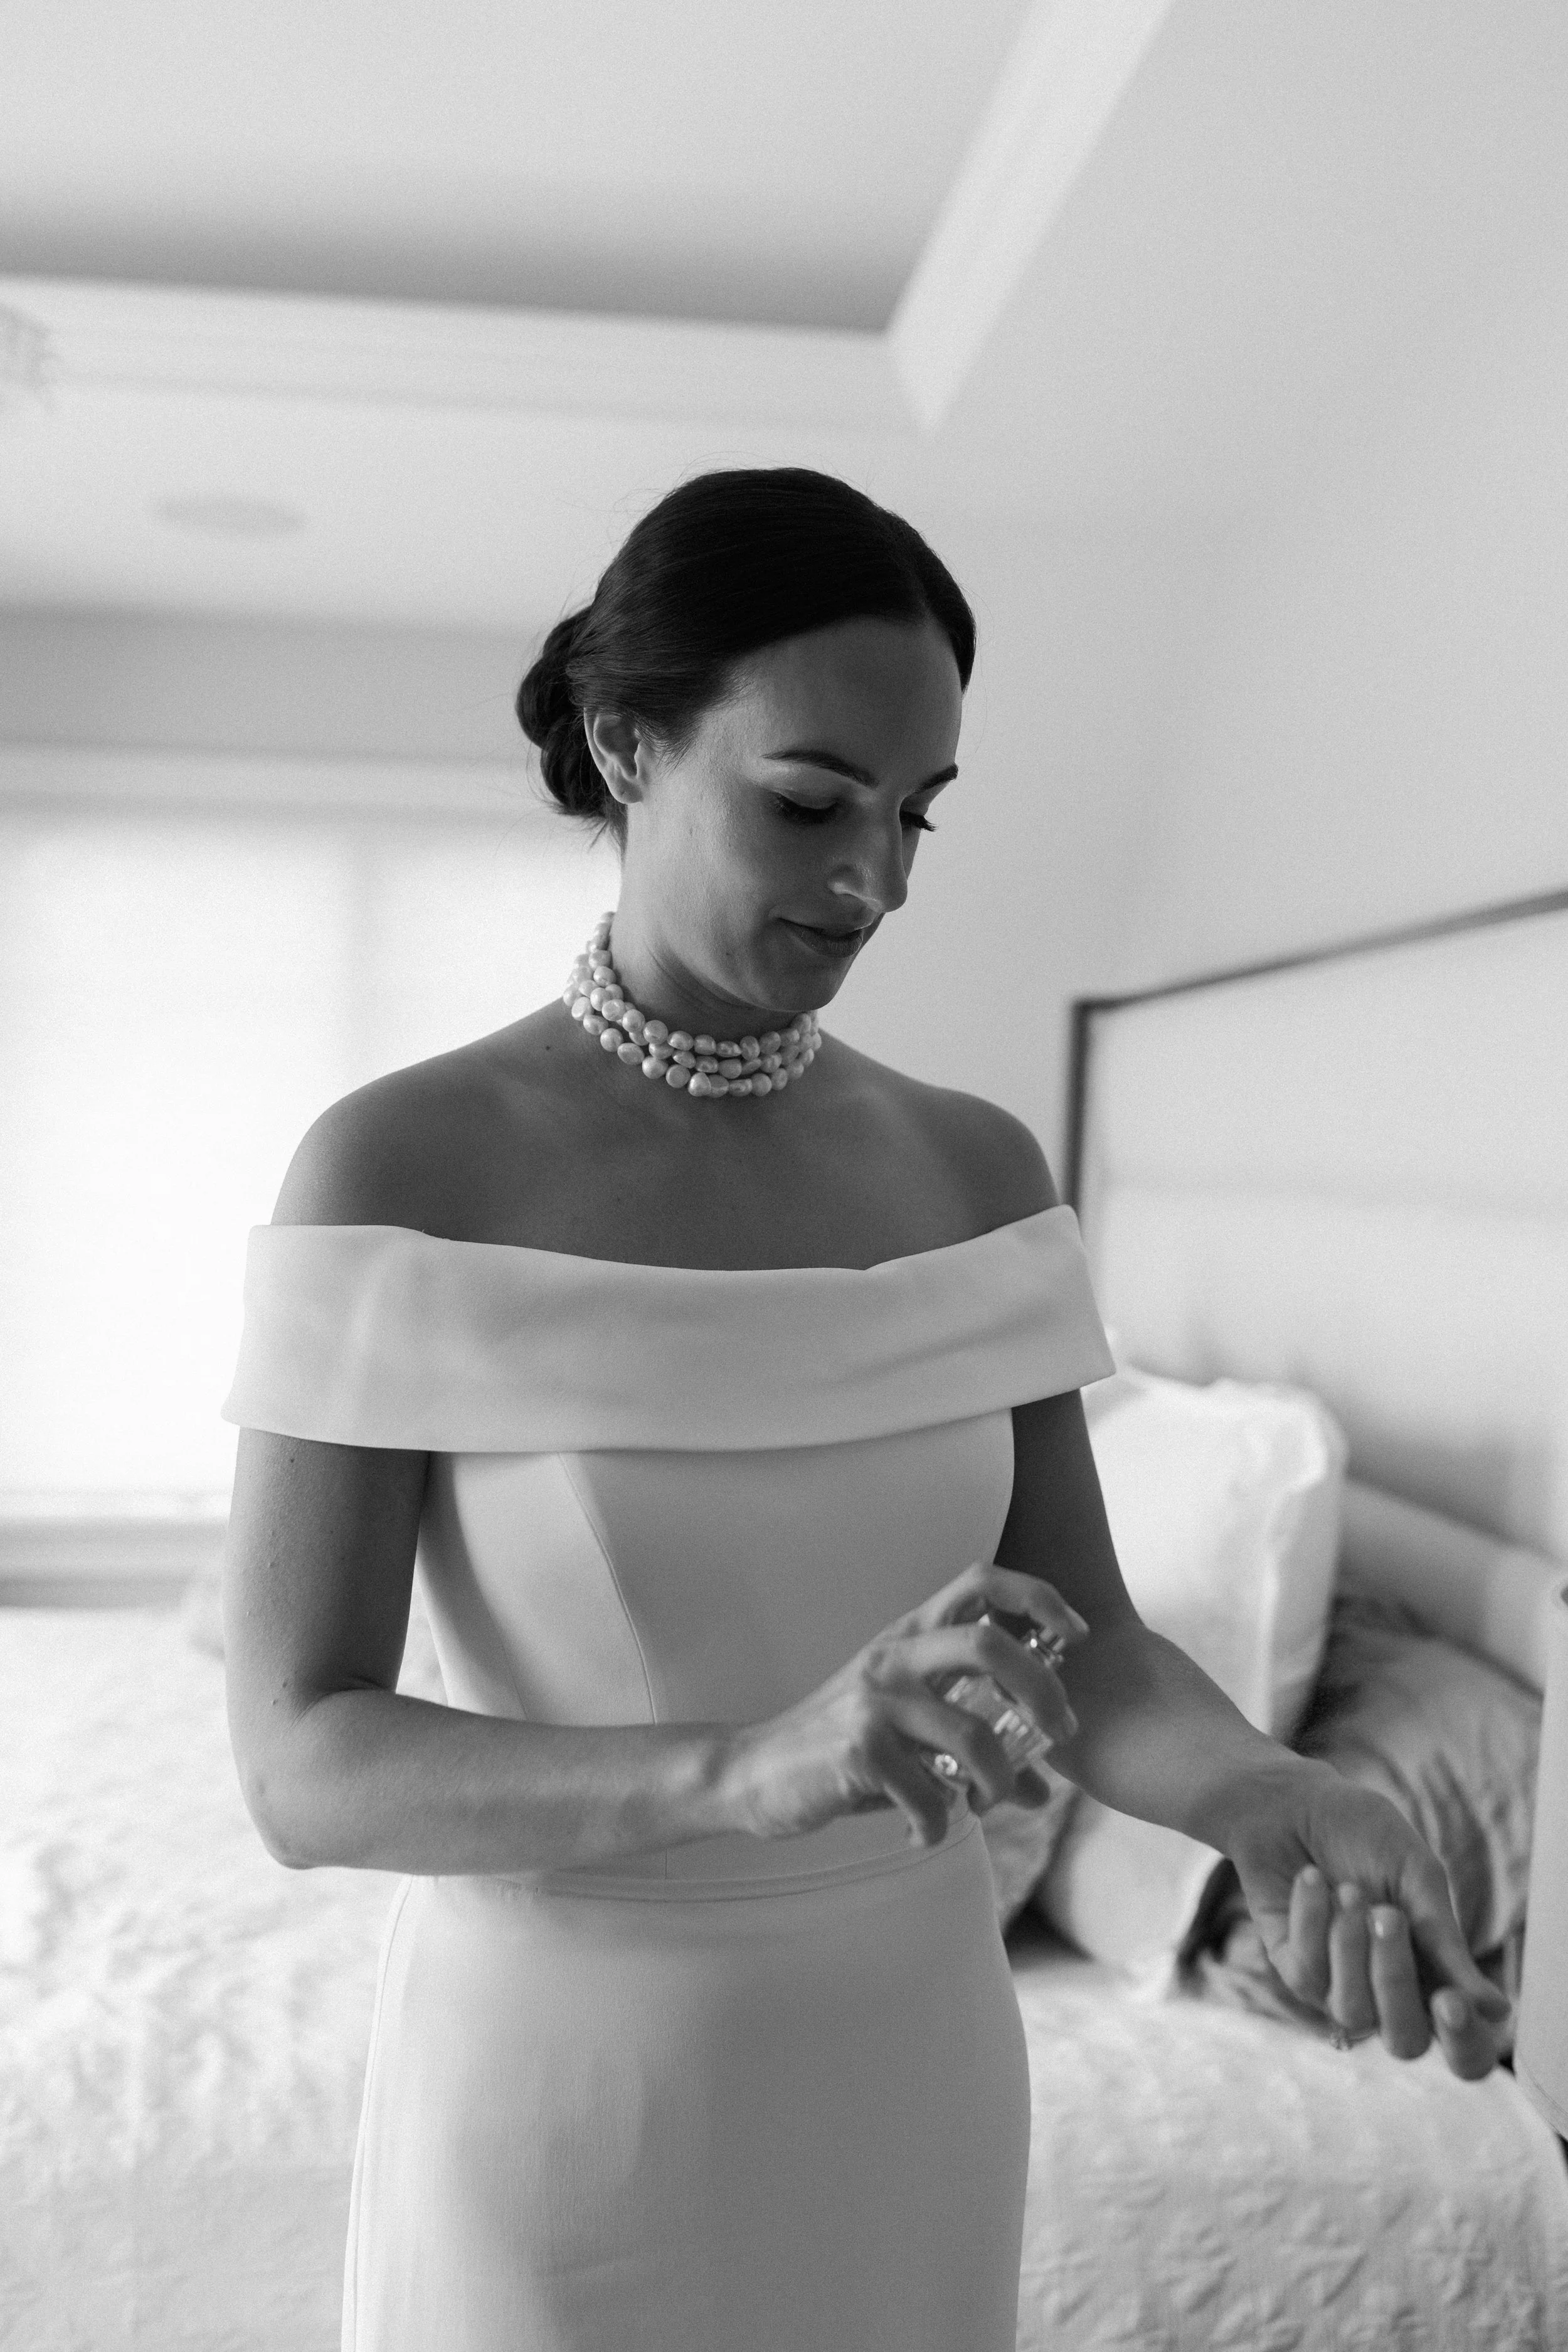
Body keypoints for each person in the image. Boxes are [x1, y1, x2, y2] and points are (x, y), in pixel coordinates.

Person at [221, 467, 1510, 2352]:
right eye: (810, 803)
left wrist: (1266, 1791)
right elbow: (298, 1760)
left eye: (916, 816)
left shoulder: (971, 1170)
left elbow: (1087, 1648)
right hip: (568, 2088)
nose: (875, 881)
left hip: (904, 2065)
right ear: (625, 742)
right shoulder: (397, 1169)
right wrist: (747, 1764)